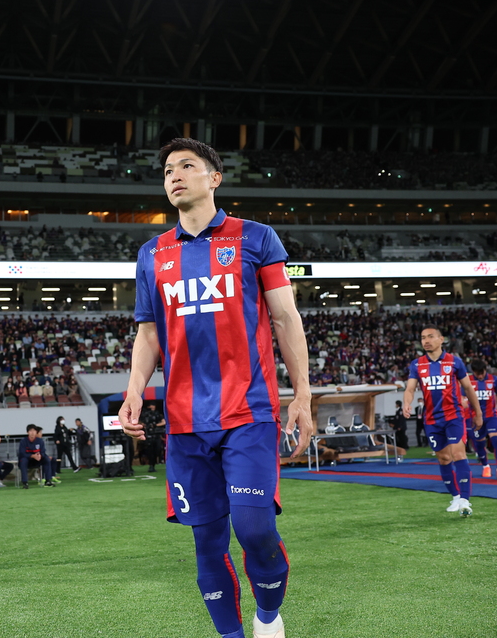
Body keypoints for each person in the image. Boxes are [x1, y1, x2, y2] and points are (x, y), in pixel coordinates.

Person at [118, 138, 313, 638]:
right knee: (206, 544)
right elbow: (148, 334)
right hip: (185, 423)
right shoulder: (151, 254)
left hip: (249, 412)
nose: (175, 176)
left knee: (254, 529)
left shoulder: (256, 237)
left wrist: (302, 395)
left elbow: (286, 318)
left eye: (187, 166)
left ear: (214, 178)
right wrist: (134, 389)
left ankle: (267, 617)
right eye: (168, 170)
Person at [402, 327, 483, 516]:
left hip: (454, 416)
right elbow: (410, 389)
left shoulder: (454, 361)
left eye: (430, 337)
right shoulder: (417, 364)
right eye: (423, 337)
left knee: (458, 453)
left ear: (441, 339)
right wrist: (406, 403)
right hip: (431, 419)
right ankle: (455, 496)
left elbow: (468, 388)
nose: (426, 341)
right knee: (444, 458)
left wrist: (477, 412)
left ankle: (465, 500)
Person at [468, 359, 497, 480]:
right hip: (475, 418)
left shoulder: (494, 379)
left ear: (485, 370)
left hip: (491, 415)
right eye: (477, 373)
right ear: (473, 371)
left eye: (482, 373)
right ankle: (485, 466)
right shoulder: (468, 381)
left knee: (496, 439)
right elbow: (463, 397)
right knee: (479, 443)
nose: (480, 376)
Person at [17, 423, 55, 489]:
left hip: (37, 460)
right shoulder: (23, 441)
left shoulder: (40, 441)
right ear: (27, 432)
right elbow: (22, 453)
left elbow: (43, 452)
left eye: (34, 431)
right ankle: (25, 483)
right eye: (30, 431)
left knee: (47, 459)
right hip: (28, 461)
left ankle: (48, 481)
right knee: (23, 460)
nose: (32, 433)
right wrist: (32, 456)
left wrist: (40, 455)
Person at [139, 403, 166, 472]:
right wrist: (144, 425)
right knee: (150, 451)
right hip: (148, 435)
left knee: (157, 450)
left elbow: (164, 422)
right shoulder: (144, 414)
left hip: (156, 434)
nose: (153, 407)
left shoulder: (157, 414)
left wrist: (155, 425)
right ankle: (151, 465)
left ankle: (154, 463)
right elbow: (140, 422)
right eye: (151, 405)